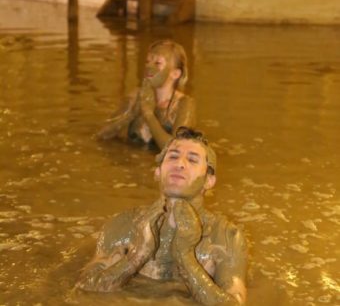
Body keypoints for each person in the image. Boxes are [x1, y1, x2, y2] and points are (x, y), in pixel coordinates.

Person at [77, 127, 247, 305]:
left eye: (192, 160)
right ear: (157, 172)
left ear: (209, 181)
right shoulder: (124, 225)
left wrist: (185, 257)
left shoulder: (225, 237)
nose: (180, 164)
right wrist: (138, 254)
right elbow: (84, 288)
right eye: (173, 156)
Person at [97, 40, 195, 150]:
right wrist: (131, 113)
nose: (149, 67)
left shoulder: (184, 104)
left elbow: (177, 149)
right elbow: (102, 135)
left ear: (175, 74)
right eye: (147, 62)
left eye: (157, 63)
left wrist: (148, 114)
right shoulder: (135, 97)